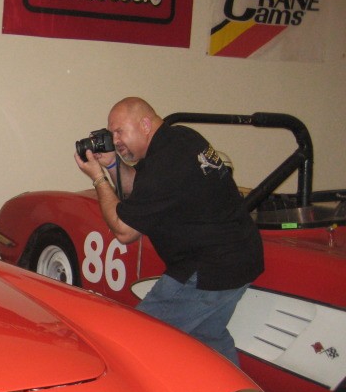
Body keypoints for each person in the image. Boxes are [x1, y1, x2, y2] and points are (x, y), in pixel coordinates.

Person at [74, 97, 264, 366]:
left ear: (145, 124)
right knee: (209, 338)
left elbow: (124, 231)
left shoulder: (165, 164)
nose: (115, 140)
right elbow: (143, 185)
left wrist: (98, 178)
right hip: (240, 258)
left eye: (119, 131)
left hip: (207, 270)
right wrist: (113, 165)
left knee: (132, 339)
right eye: (111, 133)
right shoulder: (181, 139)